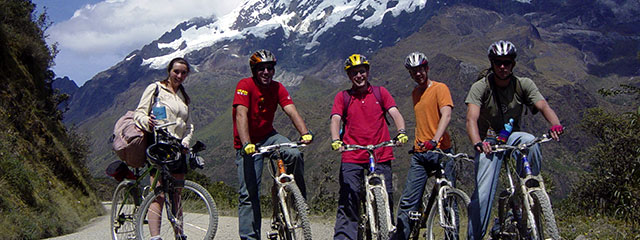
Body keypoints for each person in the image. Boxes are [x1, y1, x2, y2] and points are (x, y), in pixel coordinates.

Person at [465, 40, 564, 239]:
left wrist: (555, 124)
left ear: (513, 64)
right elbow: (471, 118)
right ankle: (474, 236)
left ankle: (527, 191)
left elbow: (543, 106)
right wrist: (478, 143)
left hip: (512, 137)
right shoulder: (481, 87)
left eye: (507, 62)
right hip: (488, 142)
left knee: (529, 141)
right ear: (492, 63)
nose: (503, 67)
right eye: (499, 62)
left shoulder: (523, 84)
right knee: (483, 195)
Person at [233, 49, 313, 240]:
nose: (266, 72)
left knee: (293, 153)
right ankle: (250, 237)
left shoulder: (278, 88)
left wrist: (305, 133)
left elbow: (291, 111)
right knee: (248, 194)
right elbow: (241, 114)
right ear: (254, 70)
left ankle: (297, 199)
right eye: (262, 68)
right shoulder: (244, 85)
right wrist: (246, 143)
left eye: (270, 68)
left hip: (269, 136)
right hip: (248, 143)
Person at [329, 53, 408, 240]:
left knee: (386, 197)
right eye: (354, 73)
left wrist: (402, 131)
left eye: (362, 72)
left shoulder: (381, 93)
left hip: (380, 151)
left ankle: (386, 233)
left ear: (368, 72)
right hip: (352, 154)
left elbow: (394, 113)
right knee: (349, 200)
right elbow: (336, 119)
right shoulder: (343, 97)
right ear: (349, 76)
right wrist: (335, 139)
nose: (359, 76)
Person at [394, 52, 456, 239]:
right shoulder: (415, 93)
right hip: (420, 154)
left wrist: (435, 140)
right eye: (414, 71)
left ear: (427, 68)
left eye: (420, 69)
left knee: (448, 202)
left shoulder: (440, 88)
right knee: (408, 202)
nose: (418, 74)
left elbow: (446, 115)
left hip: (441, 151)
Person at [134, 57, 194, 240]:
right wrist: (147, 122)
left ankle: (179, 234)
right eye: (176, 71)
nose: (179, 75)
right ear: (169, 71)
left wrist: (186, 141)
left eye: (183, 72)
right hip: (159, 144)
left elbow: (188, 125)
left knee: (177, 195)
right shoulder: (155, 89)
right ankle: (155, 237)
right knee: (159, 193)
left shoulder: (183, 96)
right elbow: (139, 113)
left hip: (177, 147)